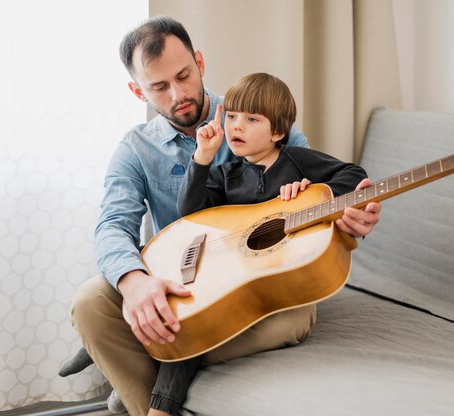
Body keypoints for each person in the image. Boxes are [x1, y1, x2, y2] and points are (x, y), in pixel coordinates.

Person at [69, 15, 381, 416]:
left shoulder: (257, 112)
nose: (178, 93)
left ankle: (138, 380)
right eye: (159, 87)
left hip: (266, 279)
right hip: (183, 282)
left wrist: (347, 216)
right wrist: (134, 283)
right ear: (137, 91)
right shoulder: (134, 149)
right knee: (89, 303)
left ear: (200, 62)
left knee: (288, 321)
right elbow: (113, 225)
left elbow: (314, 187)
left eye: (184, 75)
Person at [148, 72, 368, 416]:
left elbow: (353, 175)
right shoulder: (225, 174)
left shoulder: (297, 160)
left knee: (194, 332)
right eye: (232, 116)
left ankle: (155, 391)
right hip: (231, 278)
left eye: (252, 119)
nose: (237, 126)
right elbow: (190, 213)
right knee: (188, 317)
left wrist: (311, 197)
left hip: (284, 287)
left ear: (277, 132)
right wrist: (202, 157)